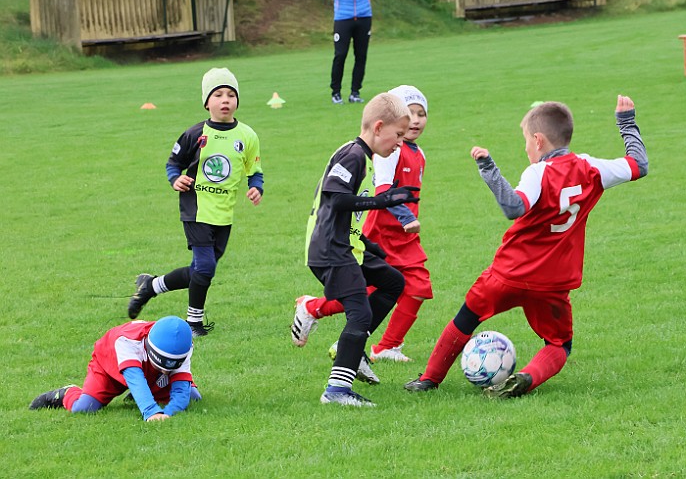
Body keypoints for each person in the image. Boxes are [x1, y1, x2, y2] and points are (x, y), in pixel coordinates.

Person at [405, 95, 649, 398]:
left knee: (465, 319)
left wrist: (489, 169)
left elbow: (514, 207)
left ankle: (428, 379)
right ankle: (527, 378)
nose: (525, 147)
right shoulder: (591, 167)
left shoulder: (538, 172)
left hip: (508, 273)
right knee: (559, 345)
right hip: (554, 282)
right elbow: (640, 164)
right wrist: (626, 123)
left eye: (525, 141)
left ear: (538, 140)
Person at [294, 92, 419, 407]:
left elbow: (347, 215)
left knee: (394, 282)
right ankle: (336, 390)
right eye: (398, 135)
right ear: (379, 127)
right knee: (360, 312)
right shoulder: (352, 155)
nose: (400, 143)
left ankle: (355, 349)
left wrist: (371, 246)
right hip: (330, 251)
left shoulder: (364, 157)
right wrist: (382, 201)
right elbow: (335, 199)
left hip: (348, 246)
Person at [127, 67, 264, 337]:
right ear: (206, 102)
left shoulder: (247, 136)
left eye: (230, 95)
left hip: (224, 214)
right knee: (205, 268)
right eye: (218, 94)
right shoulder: (195, 134)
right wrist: (175, 179)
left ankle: (150, 286)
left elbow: (254, 170)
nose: (225, 100)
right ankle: (194, 323)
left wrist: (256, 188)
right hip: (195, 208)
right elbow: (173, 164)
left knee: (200, 270)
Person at [29, 316, 200, 421]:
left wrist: (168, 413)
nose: (165, 372)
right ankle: (66, 393)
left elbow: (180, 392)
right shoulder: (127, 341)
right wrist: (151, 412)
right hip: (109, 369)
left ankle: (143, 393)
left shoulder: (183, 347)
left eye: (170, 367)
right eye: (161, 364)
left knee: (192, 397)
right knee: (84, 408)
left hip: (147, 374)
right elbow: (135, 379)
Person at [329, 0, 372, 104]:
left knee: (361, 55)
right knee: (340, 54)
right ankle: (336, 92)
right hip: (343, 17)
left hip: (364, 15)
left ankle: (355, 92)